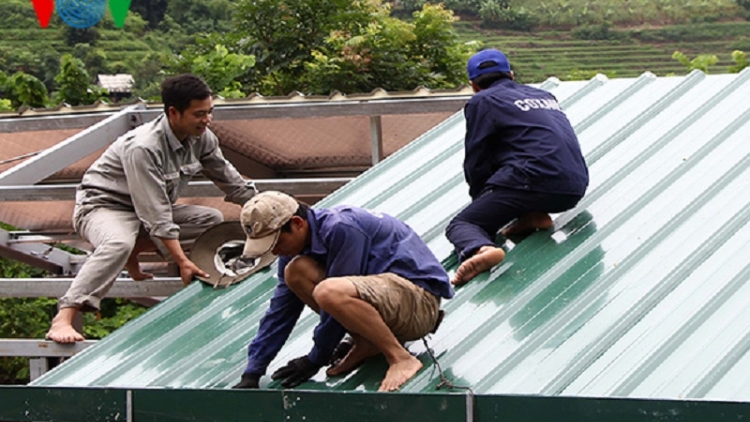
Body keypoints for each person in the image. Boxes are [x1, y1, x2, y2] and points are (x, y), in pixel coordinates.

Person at [46, 74, 258, 343]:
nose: (207, 120)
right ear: (173, 112)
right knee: (116, 243)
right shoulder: (144, 147)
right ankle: (64, 316)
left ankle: (136, 247)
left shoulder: (202, 138)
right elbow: (155, 212)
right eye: (199, 114)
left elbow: (232, 182)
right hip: (104, 206)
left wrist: (271, 210)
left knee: (210, 219)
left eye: (210, 113)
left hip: (145, 214)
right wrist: (182, 261)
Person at [232, 191, 454, 392]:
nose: (276, 251)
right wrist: (253, 372)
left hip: (419, 305)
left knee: (329, 291)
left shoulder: (341, 228)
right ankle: (367, 342)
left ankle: (400, 358)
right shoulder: (292, 252)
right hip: (385, 307)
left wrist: (316, 358)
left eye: (277, 242)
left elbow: (333, 300)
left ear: (297, 223)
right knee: (295, 272)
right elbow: (280, 311)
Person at [446, 49, 589, 286]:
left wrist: (482, 203)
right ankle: (535, 216)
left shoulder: (482, 100)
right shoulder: (545, 96)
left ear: (473, 85)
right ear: (511, 75)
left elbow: (477, 158)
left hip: (531, 181)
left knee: (463, 224)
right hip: (573, 186)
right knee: (516, 167)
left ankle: (481, 250)